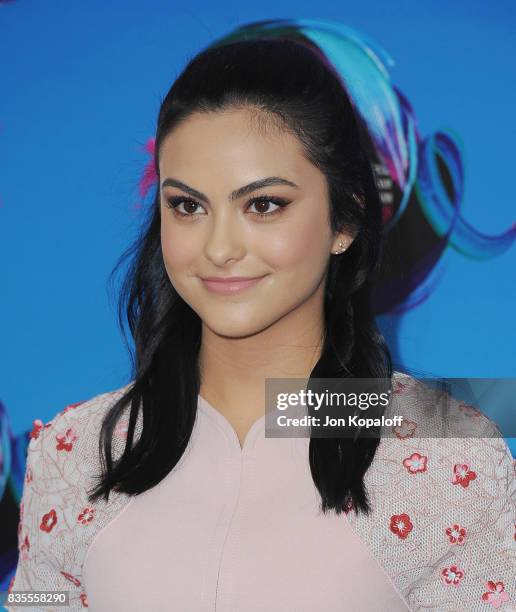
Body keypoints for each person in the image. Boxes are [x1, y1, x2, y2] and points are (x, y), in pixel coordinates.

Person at [7, 34, 515, 612]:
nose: (219, 247)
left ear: (343, 220)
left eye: (264, 204)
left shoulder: (445, 456)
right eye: (188, 206)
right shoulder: (71, 454)